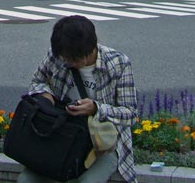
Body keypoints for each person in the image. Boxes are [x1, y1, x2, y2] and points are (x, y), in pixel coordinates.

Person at [17, 15, 138, 183]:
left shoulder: (118, 64)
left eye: (72, 59)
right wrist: (46, 96)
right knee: (26, 180)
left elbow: (130, 114)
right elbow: (38, 81)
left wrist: (95, 109)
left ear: (89, 50)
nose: (67, 62)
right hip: (61, 137)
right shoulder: (56, 55)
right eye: (64, 58)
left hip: (102, 145)